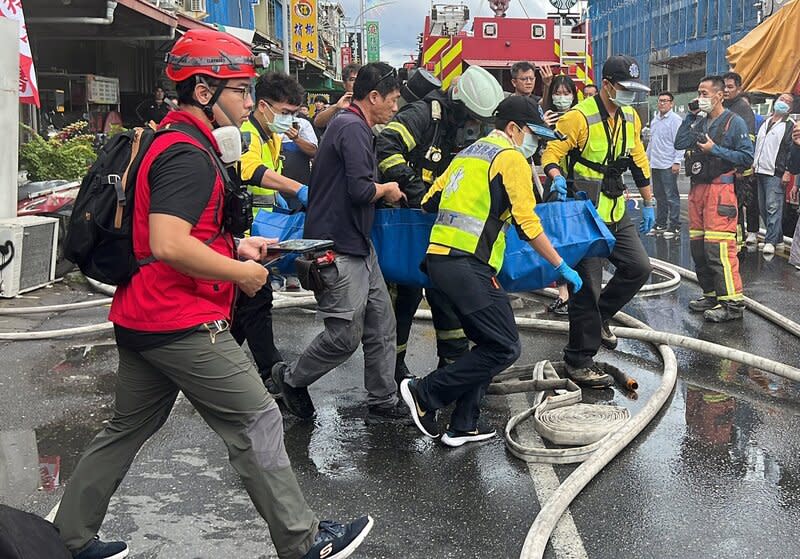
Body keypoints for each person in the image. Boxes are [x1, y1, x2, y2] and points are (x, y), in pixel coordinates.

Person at [52, 29, 373, 559]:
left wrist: (239, 247)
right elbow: (168, 242)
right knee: (259, 419)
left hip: (142, 312)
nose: (251, 104)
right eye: (241, 90)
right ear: (204, 90)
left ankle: (67, 539)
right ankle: (304, 540)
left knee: (129, 425)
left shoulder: (173, 140)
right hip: (178, 317)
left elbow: (179, 233)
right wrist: (238, 274)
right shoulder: (187, 154)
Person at [399, 95, 583, 446]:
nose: (537, 145)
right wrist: (561, 266)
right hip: (468, 266)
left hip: (439, 263)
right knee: (505, 346)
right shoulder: (510, 158)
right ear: (513, 128)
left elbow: (428, 202)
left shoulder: (467, 154)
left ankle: (464, 424)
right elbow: (528, 223)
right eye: (535, 136)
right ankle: (424, 393)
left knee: (486, 342)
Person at [271, 62, 411, 425]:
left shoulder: (354, 126)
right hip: (338, 247)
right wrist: (389, 189)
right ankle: (290, 379)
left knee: (382, 325)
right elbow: (361, 190)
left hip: (359, 244)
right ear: (374, 96)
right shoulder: (351, 127)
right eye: (392, 100)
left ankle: (383, 400)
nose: (394, 109)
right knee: (344, 337)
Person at [376, 65, 504, 385]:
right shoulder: (424, 115)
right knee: (403, 296)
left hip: (441, 223)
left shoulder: (465, 127)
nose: (476, 126)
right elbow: (388, 147)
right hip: (406, 219)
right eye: (473, 118)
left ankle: (453, 366)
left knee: (447, 295)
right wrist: (417, 193)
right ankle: (392, 371)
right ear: (458, 106)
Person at [542, 55, 654, 388]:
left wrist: (649, 201)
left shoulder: (630, 117)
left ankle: (600, 317)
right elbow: (551, 152)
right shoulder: (580, 117)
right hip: (585, 215)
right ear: (606, 85)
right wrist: (554, 175)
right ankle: (578, 359)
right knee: (585, 289)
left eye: (634, 89)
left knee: (638, 268)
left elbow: (638, 159)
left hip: (616, 210)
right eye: (624, 88)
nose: (630, 95)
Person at [234, 72, 310, 390]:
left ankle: (218, 357)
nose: (289, 120)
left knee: (246, 306)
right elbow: (248, 169)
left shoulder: (273, 136)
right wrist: (298, 189)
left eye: (295, 113)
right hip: (242, 234)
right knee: (256, 301)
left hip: (258, 234)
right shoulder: (246, 133)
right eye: (285, 112)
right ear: (262, 106)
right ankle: (271, 373)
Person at [675, 75, 754, 322]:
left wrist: (714, 150)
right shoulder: (699, 123)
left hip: (721, 191)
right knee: (698, 248)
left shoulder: (735, 122)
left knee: (718, 249)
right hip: (699, 190)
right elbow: (679, 142)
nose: (701, 97)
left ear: (720, 95)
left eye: (705, 93)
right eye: (699, 92)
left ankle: (732, 303)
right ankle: (711, 295)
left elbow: (746, 158)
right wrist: (690, 115)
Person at [541, 74, 579, 316]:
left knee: (575, 236)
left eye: (567, 93)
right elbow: (536, 151)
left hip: (576, 183)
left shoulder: (581, 118)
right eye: (558, 92)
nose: (562, 98)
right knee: (555, 236)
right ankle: (563, 292)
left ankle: (577, 291)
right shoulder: (545, 117)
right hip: (555, 184)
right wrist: (543, 129)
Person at [753, 93, 794, 256]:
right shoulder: (766, 122)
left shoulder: (789, 125)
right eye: (782, 99)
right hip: (760, 169)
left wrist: (787, 172)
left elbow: (792, 151)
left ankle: (770, 240)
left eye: (788, 102)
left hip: (776, 172)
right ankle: (777, 240)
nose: (783, 103)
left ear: (791, 108)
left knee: (773, 207)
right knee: (763, 207)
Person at [723, 71, 759, 247]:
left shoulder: (743, 109)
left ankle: (738, 243)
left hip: (737, 170)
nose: (726, 90)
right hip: (721, 167)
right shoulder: (723, 106)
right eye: (724, 86)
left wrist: (739, 168)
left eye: (730, 87)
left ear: (739, 88)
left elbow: (747, 142)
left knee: (736, 208)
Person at [646, 91, 685, 238]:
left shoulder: (675, 120)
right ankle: (660, 223)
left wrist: (677, 161)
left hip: (668, 164)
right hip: (656, 163)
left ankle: (674, 225)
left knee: (671, 196)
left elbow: (680, 143)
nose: (662, 103)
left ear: (671, 103)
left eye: (665, 101)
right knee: (659, 196)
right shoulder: (655, 120)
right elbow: (651, 142)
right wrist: (646, 159)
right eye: (660, 100)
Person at [313, 63, 361, 131]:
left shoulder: (371, 102)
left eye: (359, 79)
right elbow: (317, 123)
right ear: (344, 84)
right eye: (352, 80)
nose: (356, 83)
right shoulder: (338, 104)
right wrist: (336, 107)